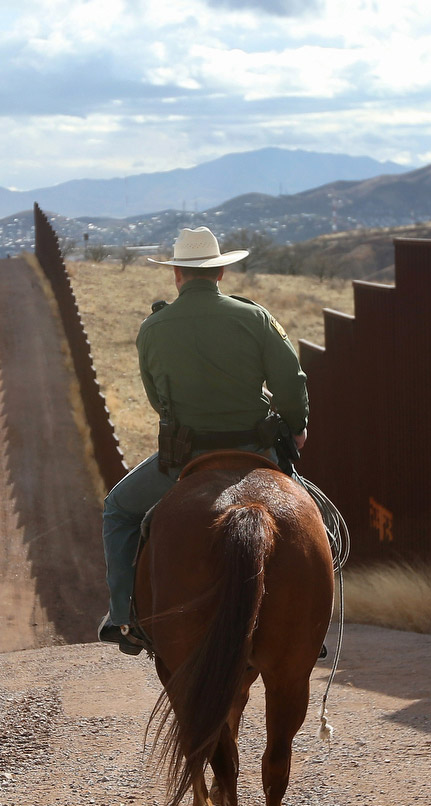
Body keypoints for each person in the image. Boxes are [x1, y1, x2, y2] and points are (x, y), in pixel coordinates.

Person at [99, 227, 309, 654]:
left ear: (177, 273)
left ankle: (123, 616)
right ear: (221, 271)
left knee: (118, 511)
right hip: (258, 451)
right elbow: (290, 382)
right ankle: (311, 622)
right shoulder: (255, 317)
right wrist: (297, 424)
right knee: (313, 521)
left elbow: (158, 399)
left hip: (182, 459)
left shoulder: (154, 327)